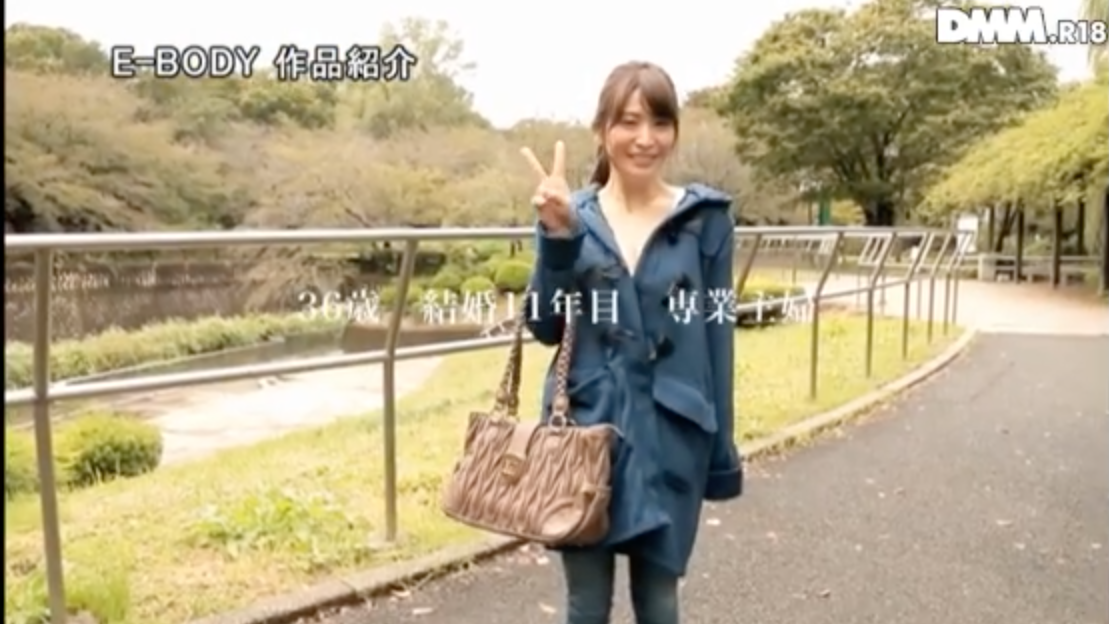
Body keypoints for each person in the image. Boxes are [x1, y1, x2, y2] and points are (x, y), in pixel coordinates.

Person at [519, 61, 743, 624]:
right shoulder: (572, 213)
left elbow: (718, 339)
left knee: (660, 602)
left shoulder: (706, 220)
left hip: (673, 432)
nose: (646, 138)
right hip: (585, 433)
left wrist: (721, 452)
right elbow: (544, 325)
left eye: (660, 123)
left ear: (674, 132)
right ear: (602, 130)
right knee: (586, 604)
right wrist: (557, 237)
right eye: (629, 122)